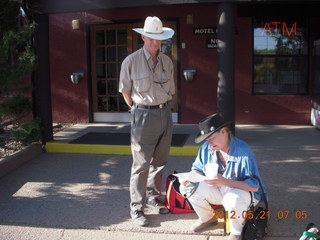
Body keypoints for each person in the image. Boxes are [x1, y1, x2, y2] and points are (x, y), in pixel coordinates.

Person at [119, 16, 175, 227]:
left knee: (160, 161)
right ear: (143, 36)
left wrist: (166, 110)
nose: (154, 42)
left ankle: (153, 196)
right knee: (141, 163)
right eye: (150, 38)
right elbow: (125, 90)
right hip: (143, 114)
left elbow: (171, 90)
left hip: (164, 113)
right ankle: (136, 206)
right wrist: (135, 109)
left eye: (158, 38)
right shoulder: (131, 61)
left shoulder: (167, 61)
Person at [180, 113, 268, 240]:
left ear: (224, 132)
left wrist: (225, 182)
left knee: (232, 200)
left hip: (243, 192)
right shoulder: (206, 148)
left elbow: (254, 187)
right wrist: (190, 177)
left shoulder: (243, 152)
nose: (209, 143)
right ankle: (208, 219)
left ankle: (236, 233)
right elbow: (197, 169)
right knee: (188, 188)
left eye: (211, 138)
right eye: (206, 140)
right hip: (220, 188)